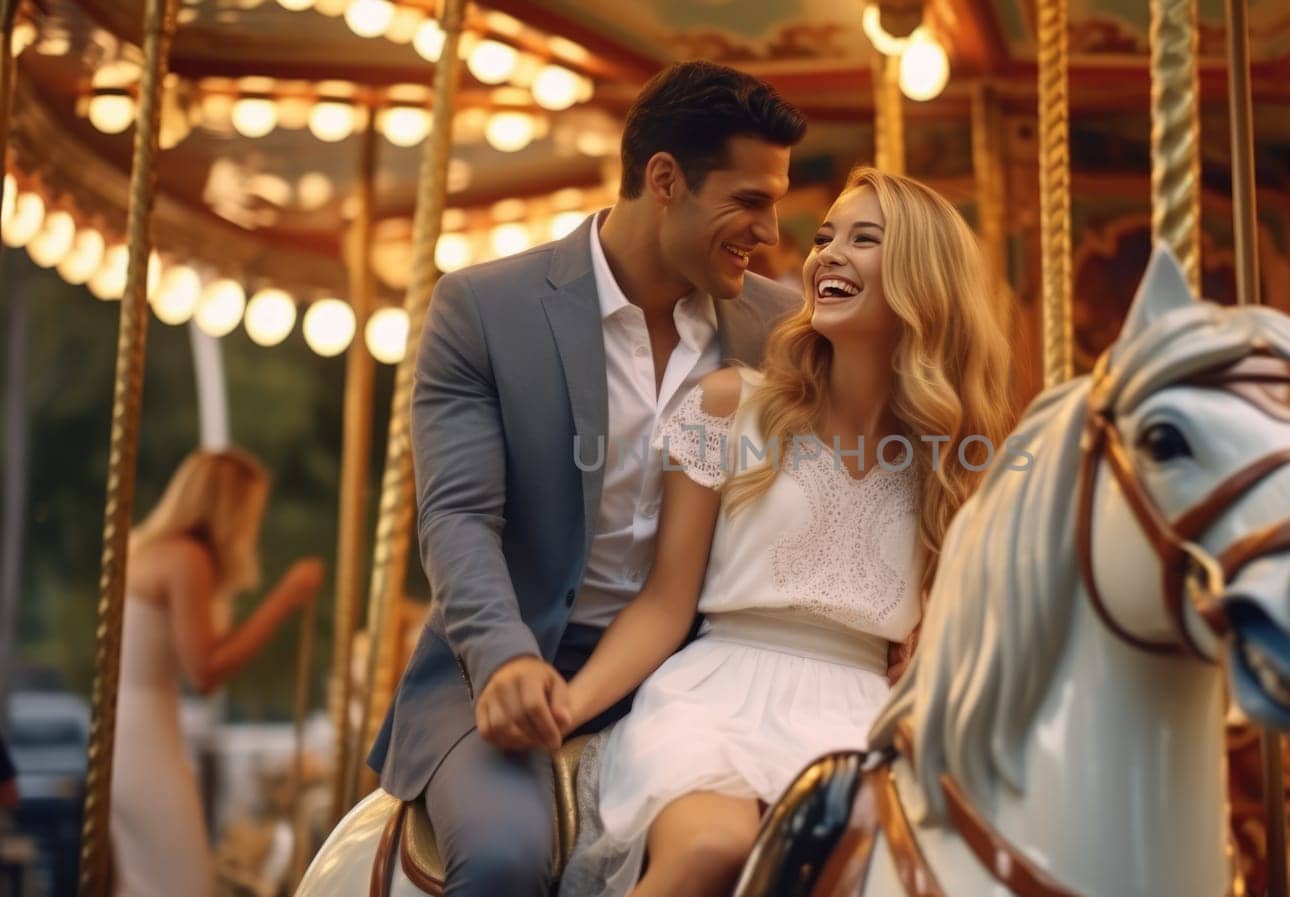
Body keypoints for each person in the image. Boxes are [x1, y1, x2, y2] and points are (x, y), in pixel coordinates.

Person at [365, 61, 807, 896]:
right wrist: (502, 661)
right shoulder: (483, 309)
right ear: (665, 180)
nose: (771, 231)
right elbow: (458, 517)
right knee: (503, 855)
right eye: (749, 201)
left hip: (705, 679)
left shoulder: (778, 328)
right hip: (513, 661)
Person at [560, 167, 1015, 897]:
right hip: (719, 696)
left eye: (863, 239)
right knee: (713, 846)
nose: (827, 253)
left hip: (862, 719)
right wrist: (570, 706)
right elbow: (665, 602)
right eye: (826, 236)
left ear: (922, 278)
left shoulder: (951, 463)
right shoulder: (729, 407)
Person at [113, 448, 323, 897]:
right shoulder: (187, 558)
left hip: (132, 734)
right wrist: (285, 598)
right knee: (186, 883)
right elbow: (205, 672)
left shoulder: (154, 551)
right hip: (145, 739)